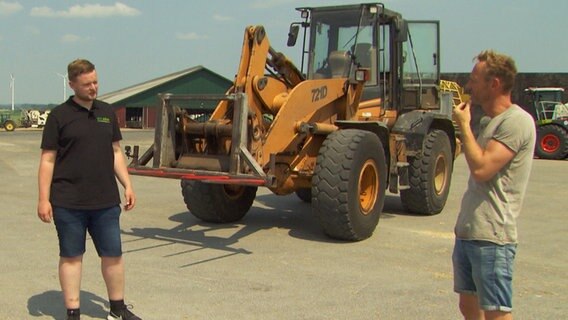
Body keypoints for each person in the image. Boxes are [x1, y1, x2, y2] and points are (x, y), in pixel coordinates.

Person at [37, 59, 142, 320]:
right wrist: (43, 199)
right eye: (87, 84)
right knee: (72, 257)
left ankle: (118, 309)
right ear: (72, 84)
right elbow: (47, 160)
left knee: (113, 256)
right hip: (68, 202)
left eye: (95, 82)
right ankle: (73, 311)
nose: (93, 88)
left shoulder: (107, 112)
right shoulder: (58, 116)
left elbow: (116, 152)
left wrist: (127, 184)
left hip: (105, 201)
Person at [452, 50, 536, 320]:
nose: (468, 85)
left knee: (496, 314)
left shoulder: (516, 122)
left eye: (474, 78)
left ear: (494, 83)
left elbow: (481, 168)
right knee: (468, 306)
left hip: (493, 237)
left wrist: (464, 127)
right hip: (471, 232)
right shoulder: (491, 122)